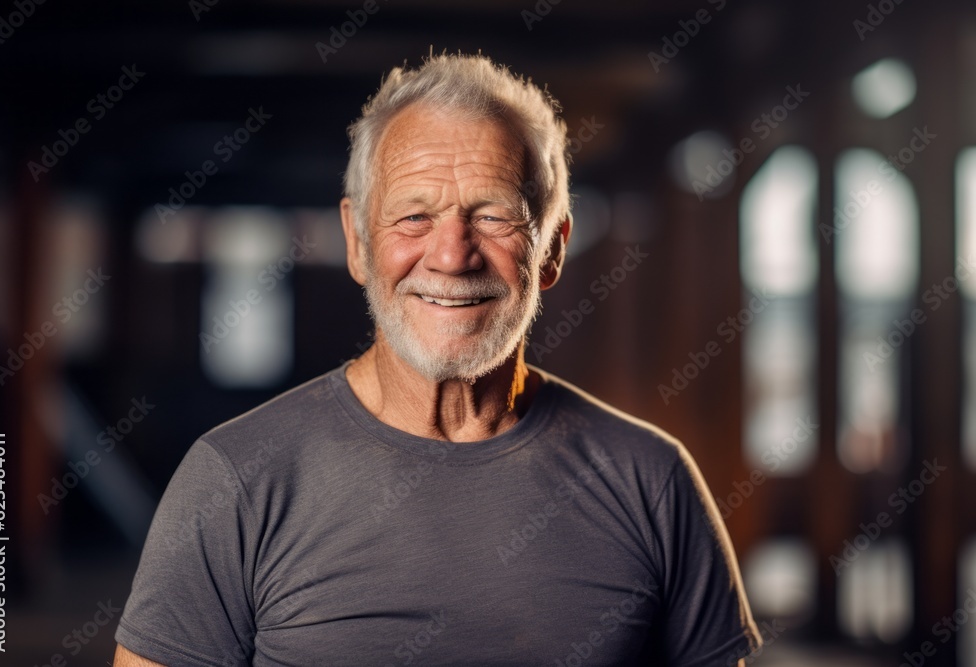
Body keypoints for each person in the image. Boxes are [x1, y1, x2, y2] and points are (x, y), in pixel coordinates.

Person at [113, 53, 762, 666]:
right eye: (414, 217)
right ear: (358, 241)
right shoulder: (233, 481)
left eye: (493, 215)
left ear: (553, 249)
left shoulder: (653, 480)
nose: (453, 256)